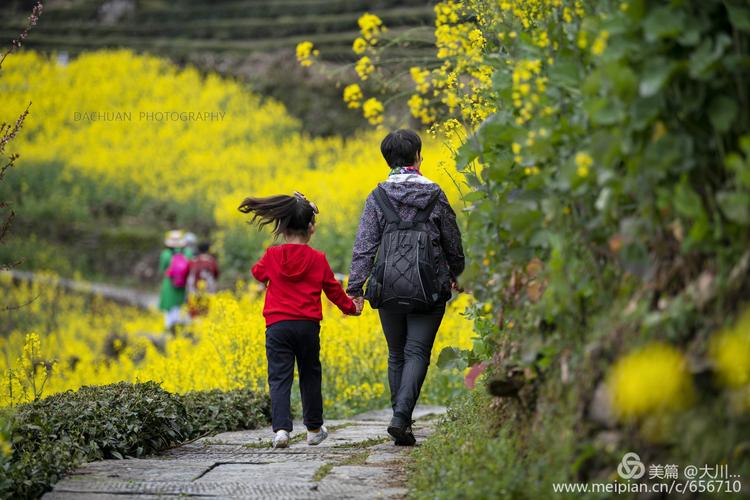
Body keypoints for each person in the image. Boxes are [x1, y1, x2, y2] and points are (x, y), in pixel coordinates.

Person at [347, 129, 465, 446]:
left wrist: (355, 288)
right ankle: (401, 419)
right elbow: (452, 240)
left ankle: (402, 421)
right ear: (417, 156)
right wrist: (458, 274)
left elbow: (364, 246)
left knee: (396, 354)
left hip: (388, 288)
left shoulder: (378, 197)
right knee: (417, 352)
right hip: (430, 288)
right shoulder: (436, 194)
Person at [239, 192, 362, 449]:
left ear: (282, 229)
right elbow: (334, 291)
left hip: (277, 326)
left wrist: (270, 277)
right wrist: (352, 308)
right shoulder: (318, 259)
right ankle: (314, 429)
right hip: (306, 326)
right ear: (311, 228)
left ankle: (282, 431)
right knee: (309, 374)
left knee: (279, 377)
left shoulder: (273, 256)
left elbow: (256, 272)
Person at [158, 230, 193, 332]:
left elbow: (162, 269)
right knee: (180, 307)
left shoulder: (165, 254)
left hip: (169, 284)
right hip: (183, 284)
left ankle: (168, 330)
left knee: (169, 308)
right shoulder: (188, 253)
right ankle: (180, 331)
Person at [187, 241, 220, 317]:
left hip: (194, 290)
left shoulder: (193, 260)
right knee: (206, 313)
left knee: (195, 313)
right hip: (208, 290)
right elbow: (216, 274)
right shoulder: (211, 261)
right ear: (208, 250)